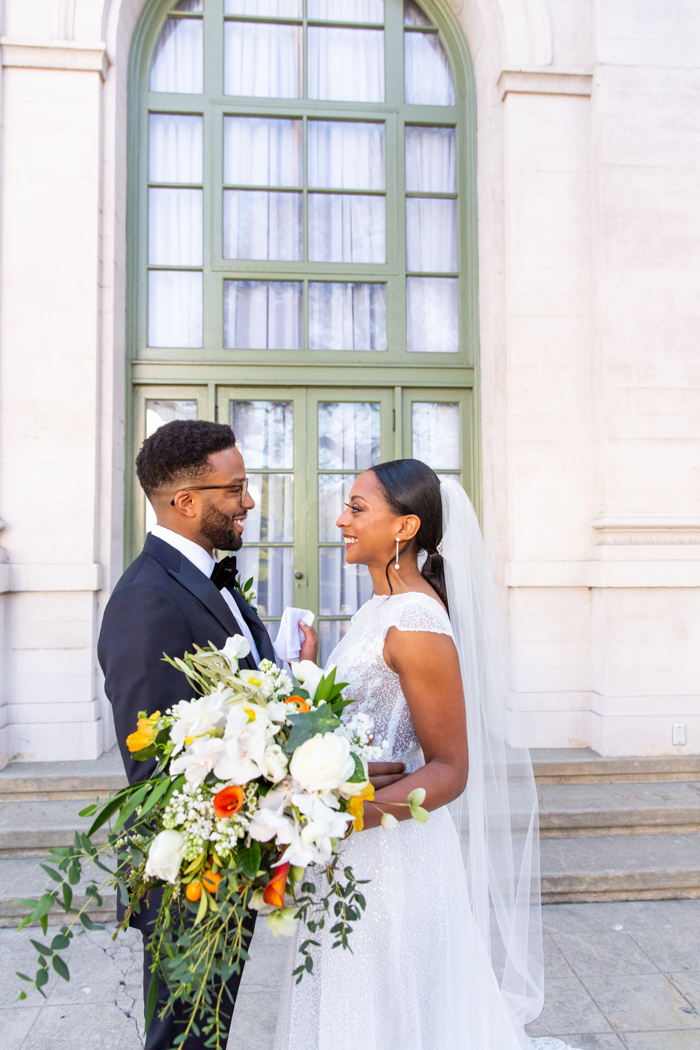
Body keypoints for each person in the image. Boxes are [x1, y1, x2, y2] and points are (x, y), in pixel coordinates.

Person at [273, 459, 577, 1050]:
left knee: (390, 1006)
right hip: (347, 848)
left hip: (389, 855)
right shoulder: (374, 611)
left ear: (406, 526)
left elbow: (450, 768)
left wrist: (347, 815)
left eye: (357, 509)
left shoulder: (417, 621)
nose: (340, 520)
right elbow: (359, 720)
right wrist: (308, 671)